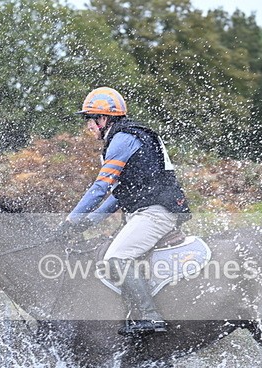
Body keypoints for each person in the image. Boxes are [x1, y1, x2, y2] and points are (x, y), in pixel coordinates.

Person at [58, 87, 191, 334]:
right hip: (145, 211)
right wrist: (85, 224)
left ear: (103, 119)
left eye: (90, 119)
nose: (88, 126)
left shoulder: (123, 139)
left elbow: (100, 188)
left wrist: (70, 220)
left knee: (117, 257)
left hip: (155, 212)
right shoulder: (126, 136)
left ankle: (151, 317)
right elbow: (117, 196)